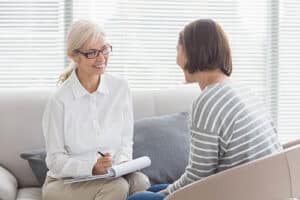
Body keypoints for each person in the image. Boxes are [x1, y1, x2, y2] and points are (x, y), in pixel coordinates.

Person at [127, 19, 282, 200]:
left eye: (178, 50)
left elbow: (197, 177)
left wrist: (166, 194)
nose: (177, 60)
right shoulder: (243, 91)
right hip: (266, 190)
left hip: (237, 193)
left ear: (194, 52)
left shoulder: (209, 101)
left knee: (137, 199)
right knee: (153, 190)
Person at [42, 19, 150, 200]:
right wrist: (91, 167)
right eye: (92, 53)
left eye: (105, 49)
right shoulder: (59, 101)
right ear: (75, 56)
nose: (101, 58)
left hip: (110, 175)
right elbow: (55, 161)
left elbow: (125, 142)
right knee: (116, 188)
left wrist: (122, 164)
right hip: (64, 183)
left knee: (140, 182)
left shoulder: (120, 89)